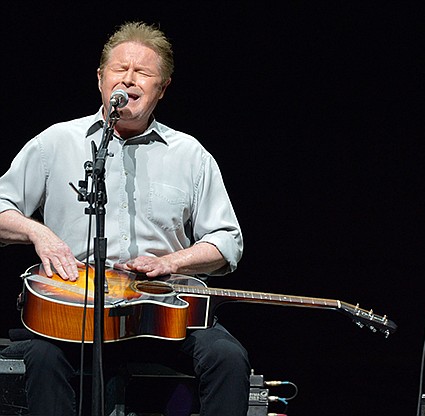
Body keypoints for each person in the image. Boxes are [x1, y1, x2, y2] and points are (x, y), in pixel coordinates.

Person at [0, 22, 249, 415]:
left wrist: (170, 262)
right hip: (73, 312)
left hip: (160, 314)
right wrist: (38, 232)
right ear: (101, 78)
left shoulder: (190, 155)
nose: (129, 80)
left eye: (143, 73)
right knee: (43, 359)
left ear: (162, 88)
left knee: (227, 360)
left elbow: (227, 241)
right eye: (120, 70)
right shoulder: (56, 142)